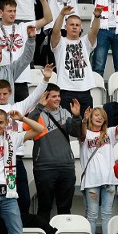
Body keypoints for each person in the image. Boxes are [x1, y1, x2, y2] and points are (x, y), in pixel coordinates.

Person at [27, 83, 83, 222]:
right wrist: (39, 106)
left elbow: (76, 133)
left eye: (59, 96)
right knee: (44, 208)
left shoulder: (64, 112)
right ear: (45, 97)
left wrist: (76, 117)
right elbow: (28, 125)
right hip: (45, 167)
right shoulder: (37, 113)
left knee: (65, 209)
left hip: (66, 167)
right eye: (54, 96)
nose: (58, 99)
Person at [80, 106, 118, 234]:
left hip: (109, 179)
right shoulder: (85, 133)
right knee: (92, 214)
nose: (98, 118)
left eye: (101, 116)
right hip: (91, 180)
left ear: (105, 120)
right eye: (95, 115)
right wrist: (84, 120)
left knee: (107, 214)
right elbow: (82, 134)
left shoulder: (109, 132)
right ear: (91, 117)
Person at [50, 4, 101, 114]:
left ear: (80, 28)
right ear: (66, 27)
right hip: (65, 91)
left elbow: (94, 31)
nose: (74, 27)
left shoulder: (85, 42)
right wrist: (62, 14)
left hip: (85, 91)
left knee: (86, 125)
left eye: (77, 25)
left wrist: (97, 17)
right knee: (66, 126)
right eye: (71, 24)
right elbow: (55, 31)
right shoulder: (61, 42)